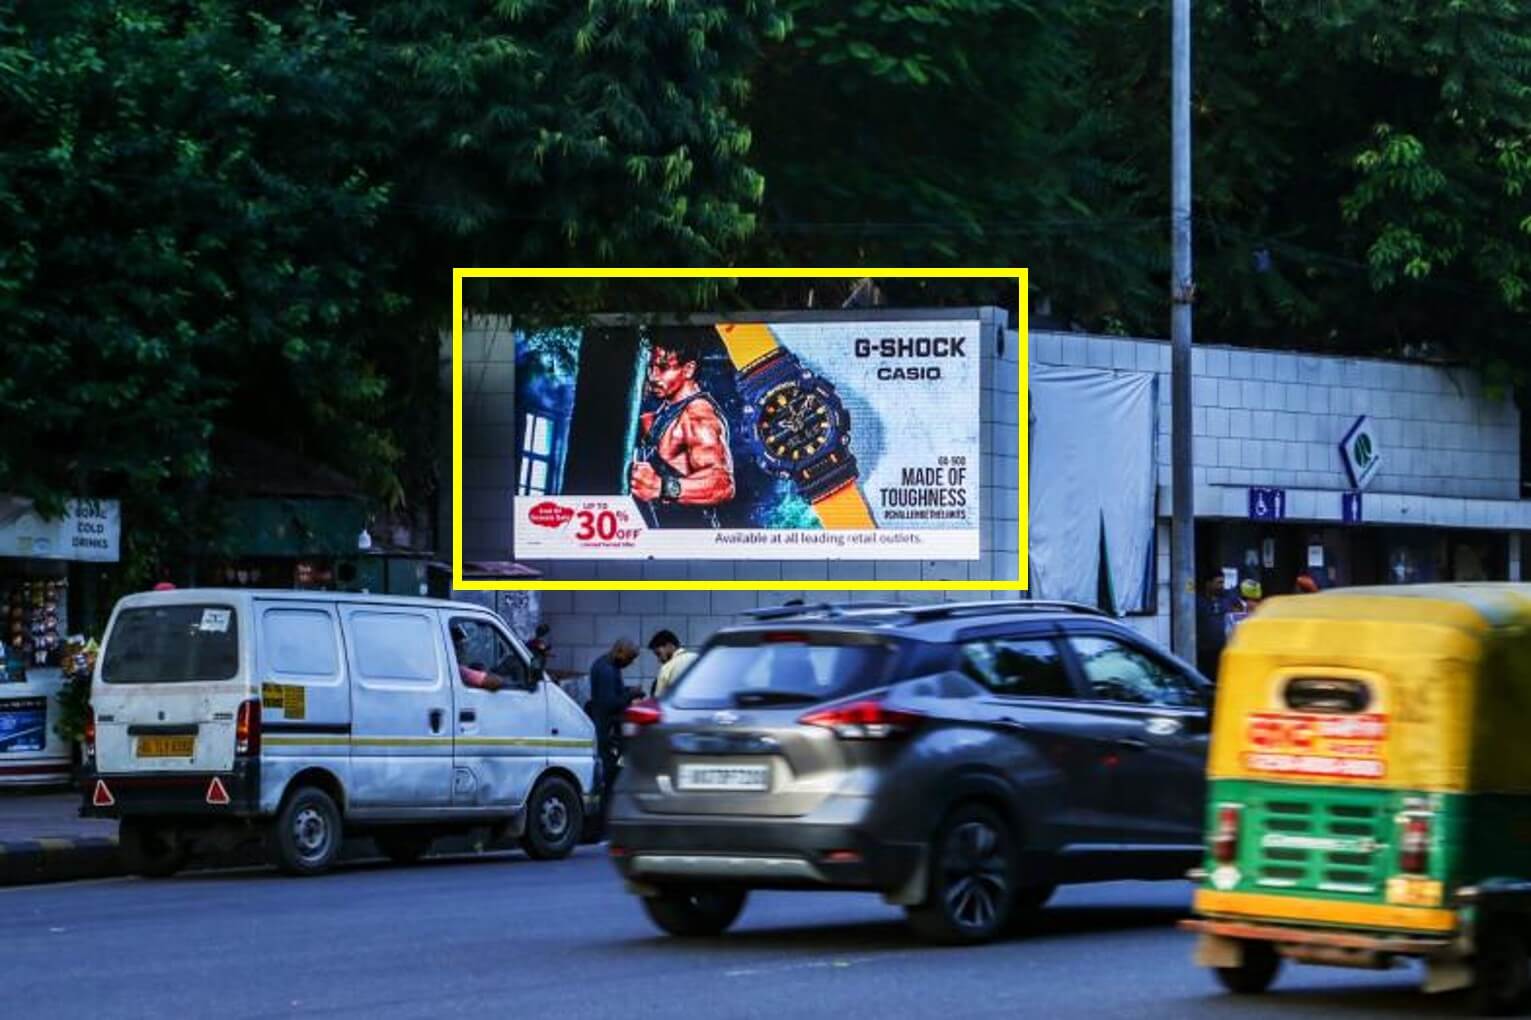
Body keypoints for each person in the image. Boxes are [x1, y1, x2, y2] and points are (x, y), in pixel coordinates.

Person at [628, 337, 735, 528]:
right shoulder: (667, 411)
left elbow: (723, 484)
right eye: (651, 367)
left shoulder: (697, 413)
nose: (653, 376)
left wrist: (661, 487)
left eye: (662, 368)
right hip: (666, 538)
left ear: (688, 370)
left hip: (693, 541)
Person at [588, 638, 642, 799]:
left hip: (607, 728)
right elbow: (609, 703)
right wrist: (631, 695)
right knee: (610, 775)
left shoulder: (611, 666)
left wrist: (627, 690)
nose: (630, 663)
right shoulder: (606, 670)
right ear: (620, 652)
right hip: (605, 731)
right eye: (630, 658)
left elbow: (613, 692)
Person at [1196, 573, 1236, 681]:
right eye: (1219, 582)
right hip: (1205, 650)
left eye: (1223, 582)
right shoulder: (1198, 601)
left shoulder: (1228, 599)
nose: (1222, 585)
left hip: (1223, 649)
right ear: (1209, 584)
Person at [451, 624, 510, 692]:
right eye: (461, 647)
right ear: (454, 648)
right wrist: (507, 681)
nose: (465, 650)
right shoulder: (459, 670)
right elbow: (493, 682)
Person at [648, 629, 698, 699]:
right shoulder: (698, 659)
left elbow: (658, 700)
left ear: (669, 645)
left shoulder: (667, 668)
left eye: (658, 654)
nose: (659, 660)